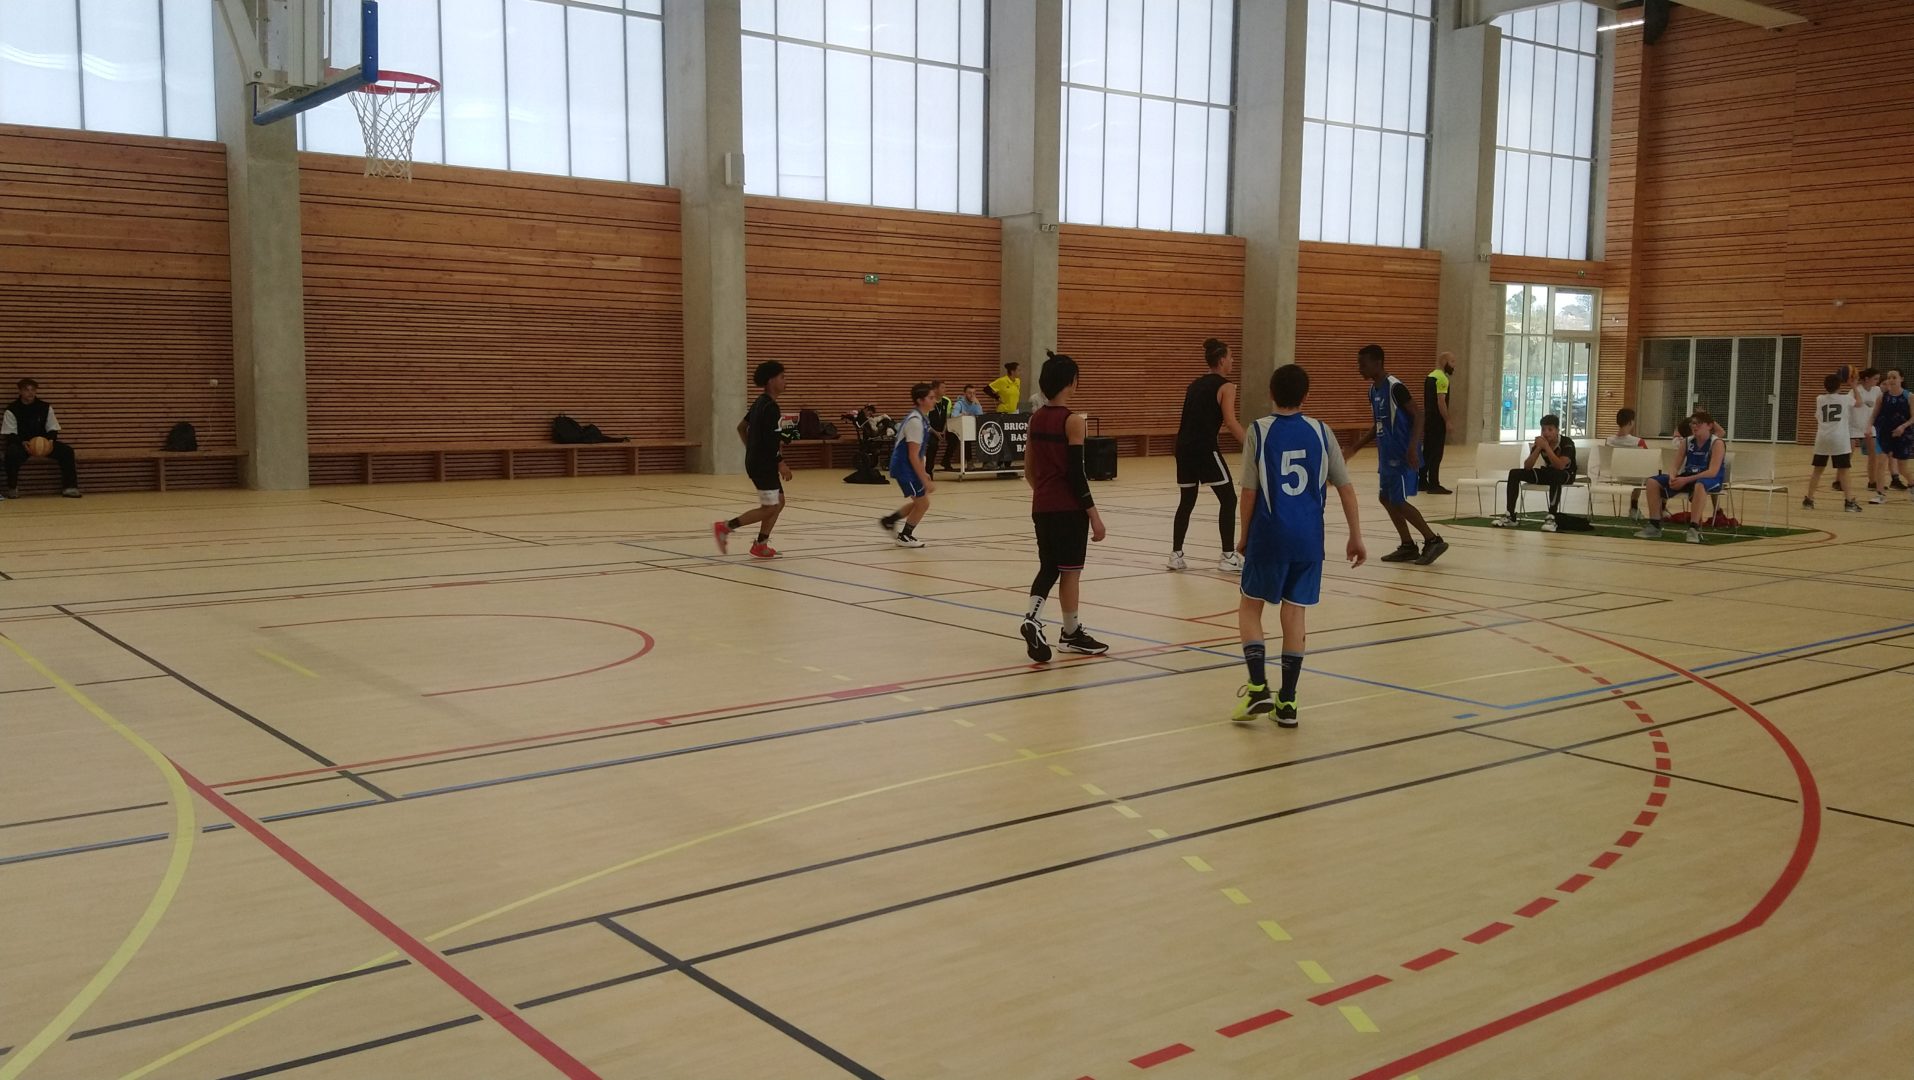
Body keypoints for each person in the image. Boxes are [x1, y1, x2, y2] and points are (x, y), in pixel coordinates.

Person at [1233, 363, 1365, 726]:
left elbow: (1249, 492)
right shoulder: (1321, 432)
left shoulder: (1258, 431)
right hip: (1309, 540)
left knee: (1249, 607)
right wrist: (1355, 534)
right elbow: (1346, 487)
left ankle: (1258, 688)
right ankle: (1288, 702)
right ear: (1306, 396)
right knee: (1294, 615)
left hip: (1269, 535)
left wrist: (1244, 535)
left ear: (1270, 393)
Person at [1018, 352, 1109, 662]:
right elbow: (1076, 474)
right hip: (1068, 509)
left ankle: (1032, 618)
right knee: (1070, 572)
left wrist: (1045, 494)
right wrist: (1094, 516)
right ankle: (1070, 633)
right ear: (1072, 382)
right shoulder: (1073, 421)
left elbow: (1028, 469)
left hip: (1041, 505)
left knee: (1048, 567)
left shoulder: (1035, 419)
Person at [1348, 345, 1447, 565]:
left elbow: (1419, 415)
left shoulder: (1395, 387)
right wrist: (1355, 447)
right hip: (1386, 455)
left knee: (1398, 501)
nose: (1359, 368)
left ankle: (1433, 540)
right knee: (1385, 498)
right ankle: (1407, 546)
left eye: (1363, 364)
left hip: (1402, 455)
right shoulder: (1373, 391)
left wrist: (1412, 447)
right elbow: (1378, 425)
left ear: (1377, 363)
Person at [1169, 338, 1248, 573]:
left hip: (1183, 448)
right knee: (1229, 499)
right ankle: (1228, 556)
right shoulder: (1227, 387)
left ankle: (1176, 555)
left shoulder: (1194, 385)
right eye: (1231, 357)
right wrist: (1253, 446)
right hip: (1204, 448)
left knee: (1187, 501)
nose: (1232, 361)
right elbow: (1230, 422)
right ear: (1222, 360)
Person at [714, 361, 793, 559]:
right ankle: (725, 527)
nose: (785, 381)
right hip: (763, 464)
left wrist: (751, 449)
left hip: (759, 461)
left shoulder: (760, 403)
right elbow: (770, 440)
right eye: (782, 377)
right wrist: (780, 462)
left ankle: (761, 544)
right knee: (770, 507)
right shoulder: (770, 407)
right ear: (771, 380)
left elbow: (741, 427)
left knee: (779, 502)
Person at [1637, 409, 1726, 544]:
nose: (1695, 426)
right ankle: (1654, 525)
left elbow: (1712, 472)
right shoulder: (1687, 442)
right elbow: (1674, 465)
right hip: (1689, 476)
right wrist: (1673, 477)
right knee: (1652, 482)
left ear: (1709, 426)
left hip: (1711, 478)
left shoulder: (1717, 443)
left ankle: (1694, 528)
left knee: (1700, 484)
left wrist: (1685, 480)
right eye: (1693, 423)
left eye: (1699, 423)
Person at [1492, 414, 1578, 530]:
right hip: (1549, 472)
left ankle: (1552, 517)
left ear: (1557, 430)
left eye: (1550, 429)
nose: (1546, 433)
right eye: (1543, 429)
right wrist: (1538, 448)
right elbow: (1527, 466)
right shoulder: (1541, 443)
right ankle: (1510, 515)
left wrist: (1546, 447)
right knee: (1514, 473)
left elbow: (1560, 466)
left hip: (1566, 474)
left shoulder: (1567, 443)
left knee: (1556, 475)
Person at [3, 378, 82, 499]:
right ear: (20, 391)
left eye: (33, 390)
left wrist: (50, 441)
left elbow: (53, 428)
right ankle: (12, 488)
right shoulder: (12, 409)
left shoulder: (45, 407)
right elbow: (10, 433)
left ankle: (70, 487)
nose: (30, 393)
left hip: (44, 443)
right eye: (26, 390)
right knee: (11, 453)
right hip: (23, 444)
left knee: (67, 451)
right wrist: (22, 442)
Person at [880, 382, 937, 548]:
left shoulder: (921, 418)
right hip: (905, 467)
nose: (935, 400)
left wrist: (923, 472)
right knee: (923, 503)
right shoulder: (915, 422)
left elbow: (918, 452)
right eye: (931, 398)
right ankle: (905, 536)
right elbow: (912, 454)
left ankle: (890, 520)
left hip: (909, 466)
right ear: (920, 400)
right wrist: (924, 479)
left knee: (920, 502)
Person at [1803, 372, 1862, 513]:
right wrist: (1854, 386)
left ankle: (1809, 500)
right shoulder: (1845, 399)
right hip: (1839, 439)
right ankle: (1849, 502)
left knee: (1817, 470)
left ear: (1825, 386)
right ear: (1840, 386)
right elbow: (1859, 403)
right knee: (1844, 471)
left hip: (1822, 438)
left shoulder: (1819, 399)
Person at [1867, 368, 1913, 502]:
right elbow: (1874, 415)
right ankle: (1880, 494)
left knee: (1902, 467)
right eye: (1889, 377)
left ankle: (1912, 484)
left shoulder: (1909, 396)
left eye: (1894, 377)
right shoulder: (1882, 397)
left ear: (1901, 379)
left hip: (1903, 434)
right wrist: (1868, 426)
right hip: (1884, 434)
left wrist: (1902, 427)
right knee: (1881, 463)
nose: (1891, 380)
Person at [1420, 352, 1455, 495]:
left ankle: (1422, 482)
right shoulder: (1442, 379)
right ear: (1445, 361)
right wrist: (1447, 420)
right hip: (1437, 422)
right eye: (1452, 361)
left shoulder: (1430, 376)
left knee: (1427, 451)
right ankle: (1434, 484)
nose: (1454, 365)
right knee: (1436, 453)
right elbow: (1441, 401)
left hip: (1429, 420)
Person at [1605, 407, 1650, 520]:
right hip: (1634, 476)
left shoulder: (1608, 441)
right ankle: (1634, 507)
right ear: (1631, 422)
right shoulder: (1638, 442)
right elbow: (1648, 459)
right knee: (1641, 473)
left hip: (1614, 474)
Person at [1853, 368, 1884, 494]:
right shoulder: (1855, 390)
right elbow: (1852, 405)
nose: (1877, 381)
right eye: (1875, 379)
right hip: (1854, 427)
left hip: (1870, 427)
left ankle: (1872, 482)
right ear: (1866, 379)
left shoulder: (1877, 390)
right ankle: (1838, 481)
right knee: (1847, 455)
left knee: (1874, 455)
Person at [947, 384, 983, 469]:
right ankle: (969, 462)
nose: (972, 395)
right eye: (969, 393)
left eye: (974, 393)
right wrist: (962, 414)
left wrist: (978, 404)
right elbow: (953, 415)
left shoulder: (975, 404)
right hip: (957, 430)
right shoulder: (959, 404)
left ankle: (987, 462)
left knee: (985, 434)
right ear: (965, 394)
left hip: (972, 429)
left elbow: (980, 416)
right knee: (966, 439)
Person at [923, 380, 951, 477]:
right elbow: (925, 423)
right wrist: (936, 433)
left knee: (955, 438)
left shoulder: (947, 401)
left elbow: (948, 418)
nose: (945, 389)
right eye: (942, 387)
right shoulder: (928, 401)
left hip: (943, 429)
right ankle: (928, 471)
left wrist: (944, 431)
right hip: (930, 430)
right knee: (933, 444)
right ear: (935, 389)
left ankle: (946, 461)